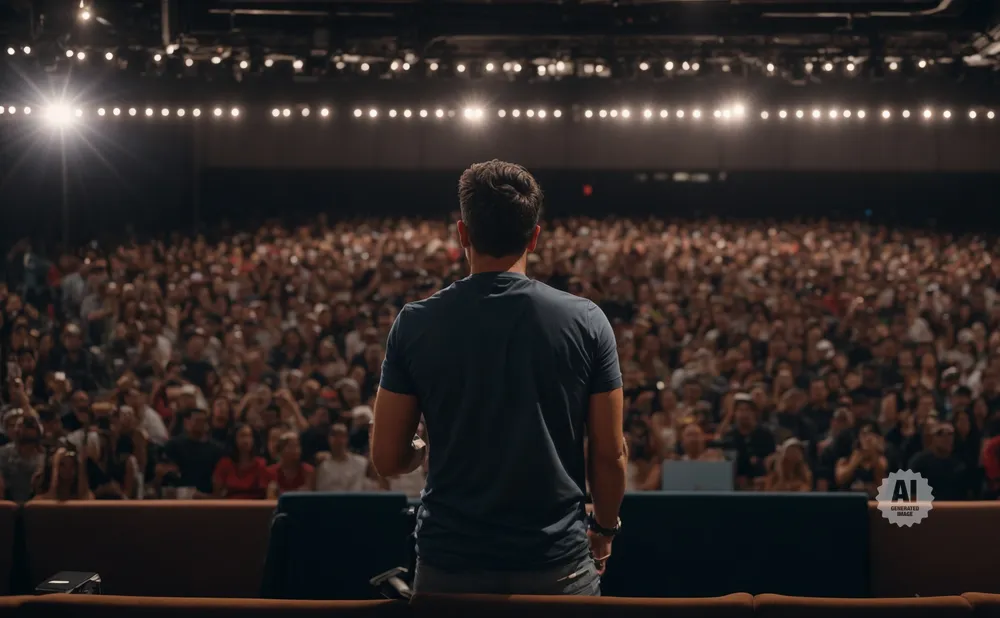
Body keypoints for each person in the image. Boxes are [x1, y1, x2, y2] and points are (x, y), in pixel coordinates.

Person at [370, 160, 625, 595]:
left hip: (450, 571)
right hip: (557, 570)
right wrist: (604, 528)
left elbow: (388, 459)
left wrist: (421, 445)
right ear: (535, 236)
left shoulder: (415, 323)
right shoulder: (587, 320)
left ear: (462, 234)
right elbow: (609, 453)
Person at [213, 423, 270, 499]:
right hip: (230, 506)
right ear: (234, 438)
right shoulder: (225, 463)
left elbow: (266, 493)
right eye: (242, 436)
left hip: (255, 506)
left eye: (249, 436)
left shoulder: (261, 463)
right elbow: (217, 493)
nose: (246, 440)